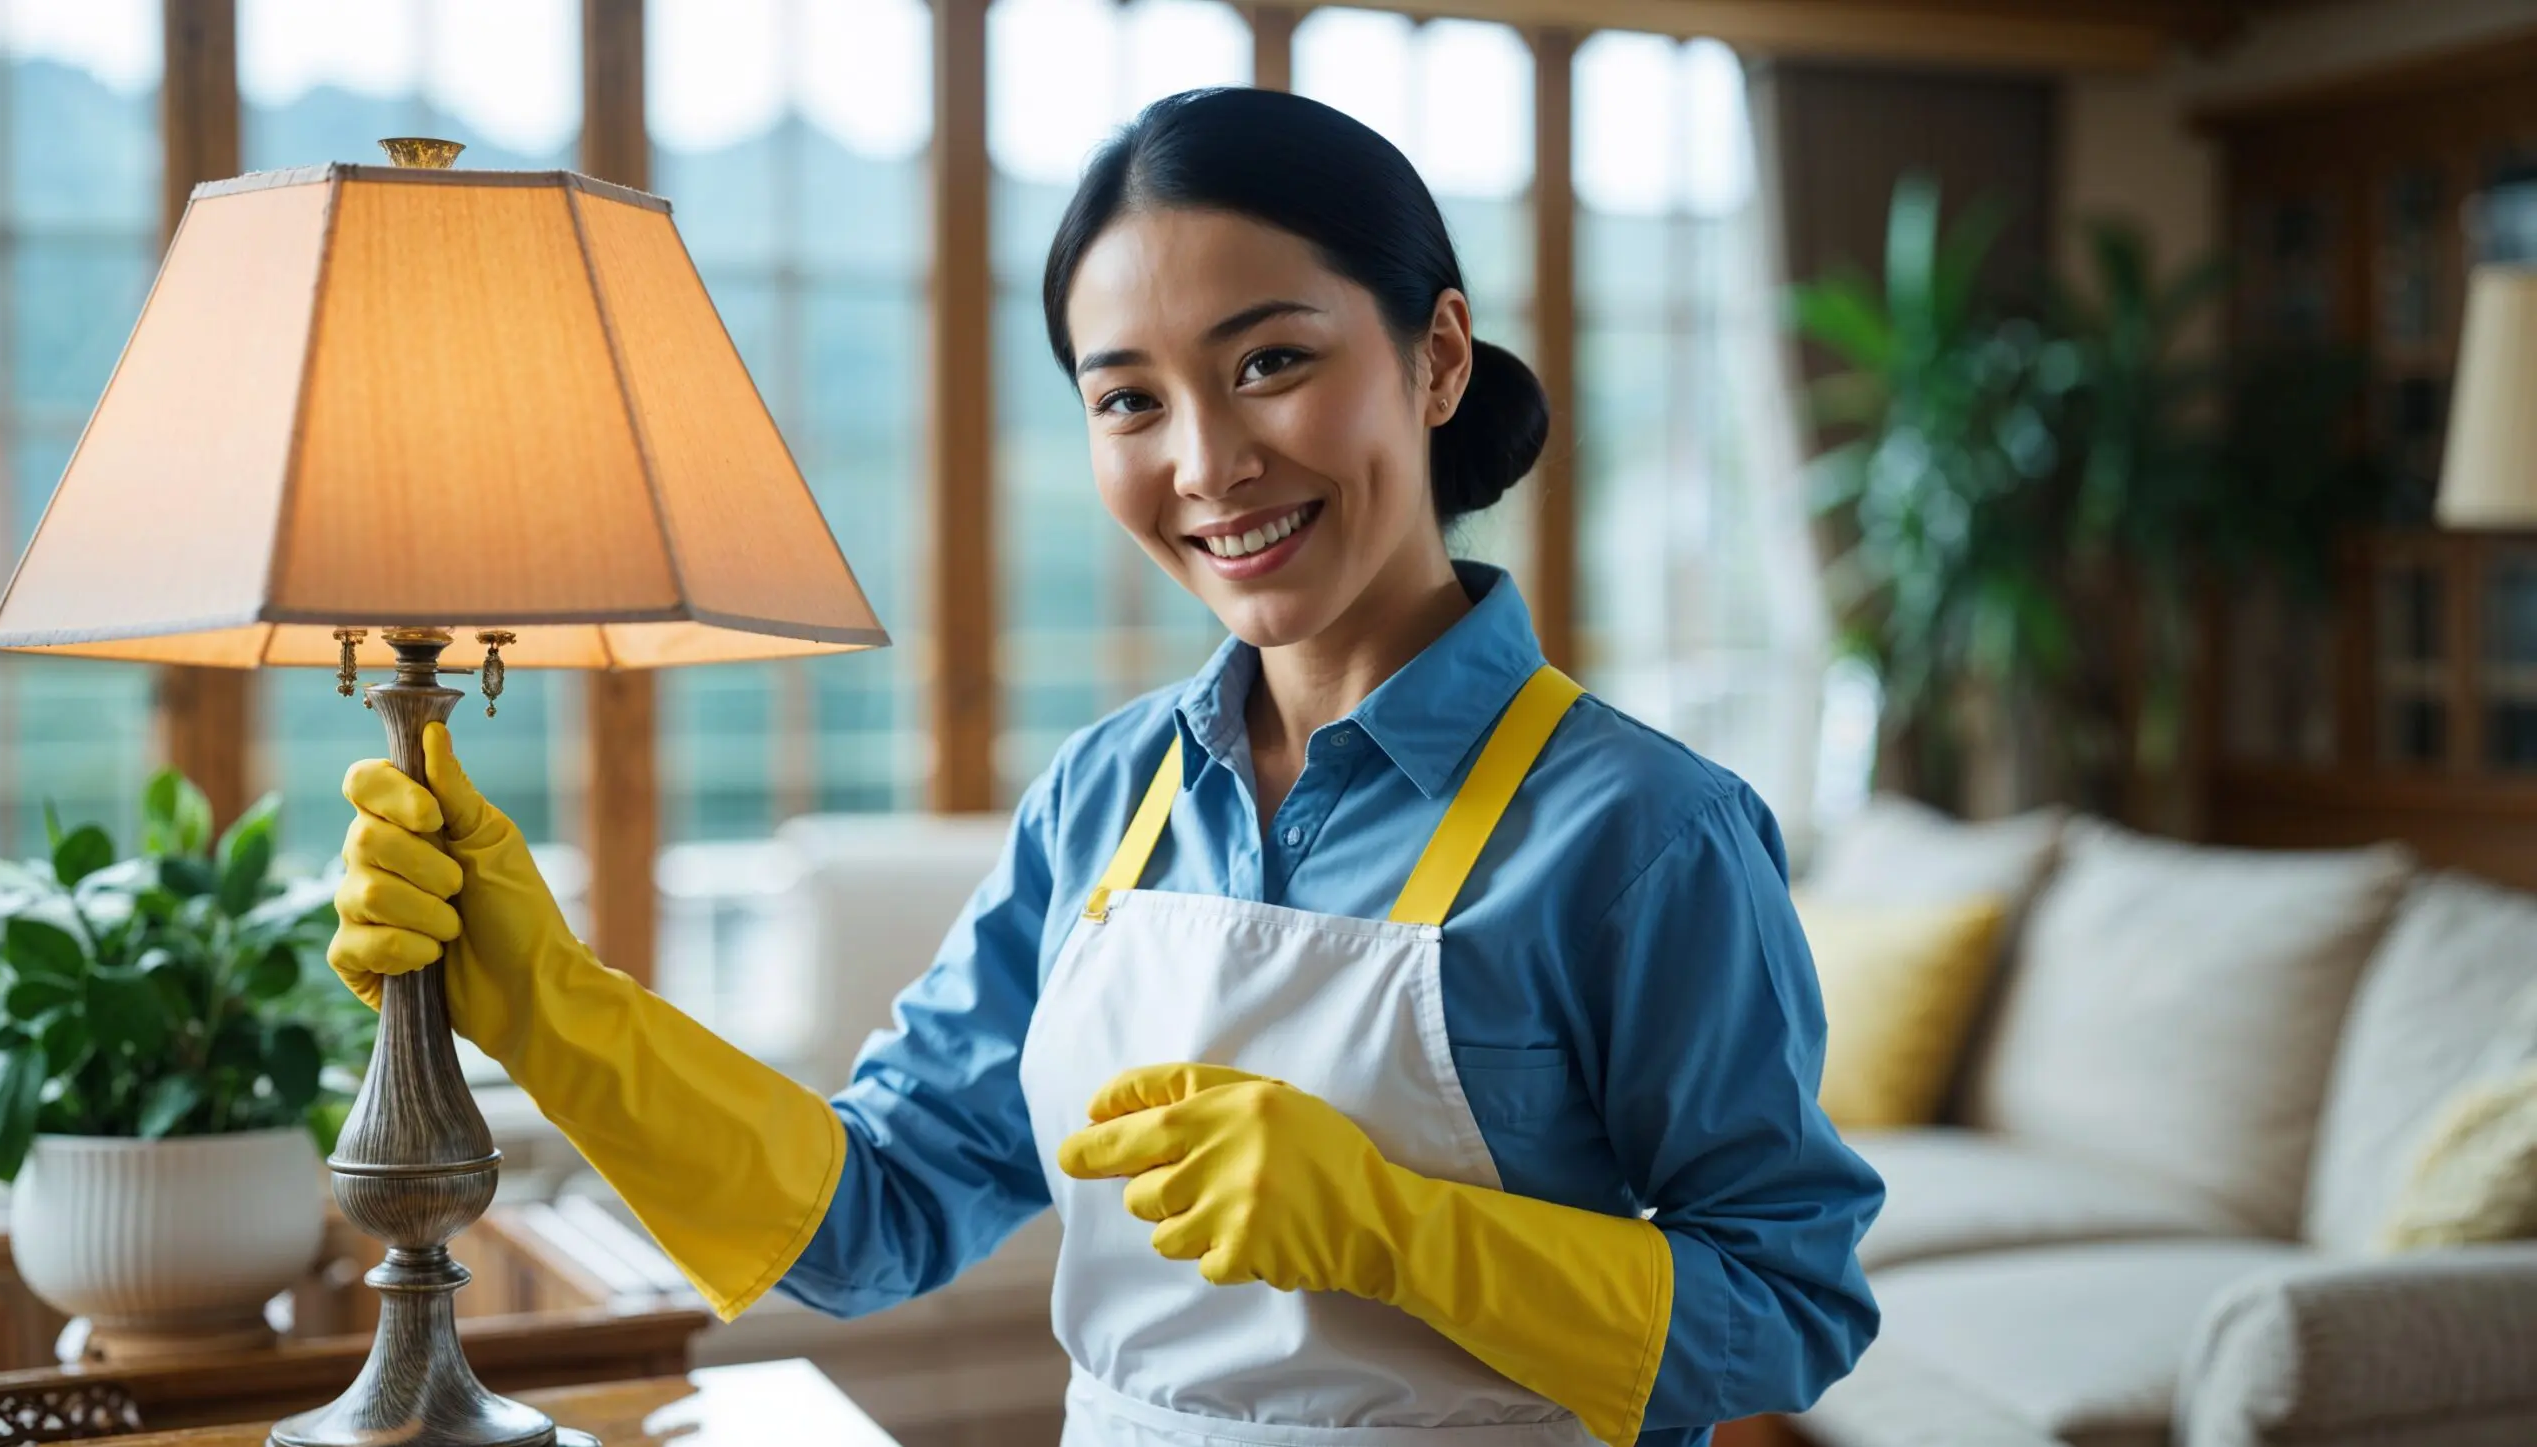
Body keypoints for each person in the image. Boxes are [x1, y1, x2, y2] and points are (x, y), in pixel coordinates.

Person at [327, 86, 1881, 1447]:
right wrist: (544, 1000)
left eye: (1270, 361)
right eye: (1130, 397)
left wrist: (1404, 1230)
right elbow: (876, 1215)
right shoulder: (1103, 798)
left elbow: (1790, 1308)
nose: (1206, 463)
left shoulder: (1646, 833)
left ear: (1439, 355)